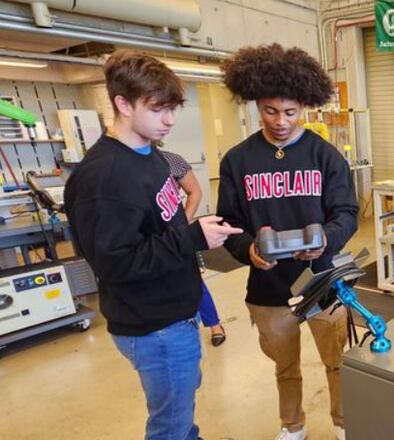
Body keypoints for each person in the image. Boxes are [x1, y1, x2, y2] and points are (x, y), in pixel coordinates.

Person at [64, 50, 242, 440]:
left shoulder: (150, 154)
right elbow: (114, 263)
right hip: (154, 327)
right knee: (169, 427)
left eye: (173, 108)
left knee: (180, 413)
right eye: (158, 109)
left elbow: (159, 226)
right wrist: (192, 238)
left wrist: (193, 231)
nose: (170, 120)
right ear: (122, 103)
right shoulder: (104, 177)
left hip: (175, 314)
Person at [217, 44, 358, 440]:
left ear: (305, 106)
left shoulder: (325, 156)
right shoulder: (237, 161)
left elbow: (346, 213)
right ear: (256, 105)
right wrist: (246, 249)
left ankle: (344, 423)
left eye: (290, 112)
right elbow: (229, 222)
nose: (281, 121)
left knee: (338, 361)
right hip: (269, 289)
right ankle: (292, 425)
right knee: (285, 366)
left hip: (322, 282)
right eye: (270, 110)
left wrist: (326, 241)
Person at [159, 148, 227, 346]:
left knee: (192, 278)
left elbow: (195, 191)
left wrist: (184, 223)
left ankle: (214, 324)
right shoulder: (127, 165)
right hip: (152, 233)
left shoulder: (171, 160)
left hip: (177, 231)